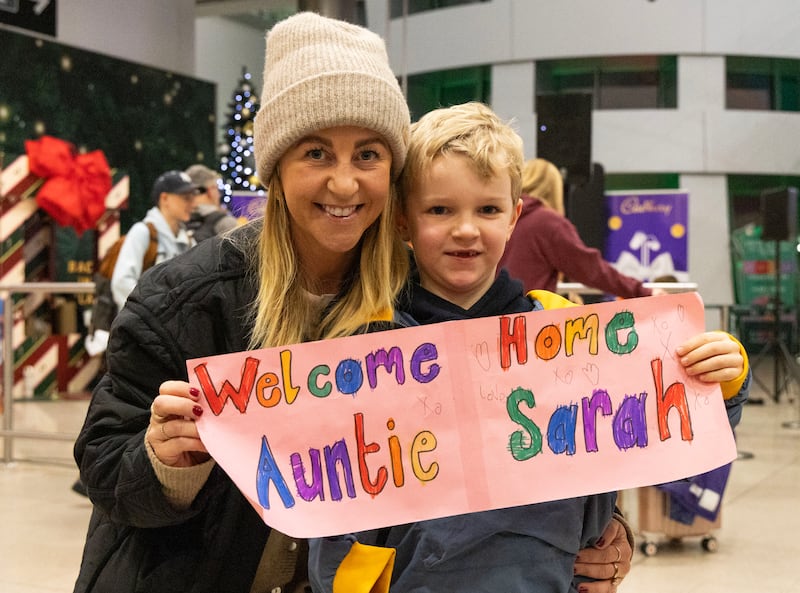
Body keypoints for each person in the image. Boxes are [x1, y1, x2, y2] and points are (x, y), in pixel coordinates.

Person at [308, 102, 750, 593]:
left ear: (515, 215)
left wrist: (720, 380)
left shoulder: (567, 333)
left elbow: (665, 438)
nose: (466, 228)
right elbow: (332, 507)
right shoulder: (366, 348)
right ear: (402, 221)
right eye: (440, 209)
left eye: (488, 209)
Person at [72, 12, 411, 593]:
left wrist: (592, 528)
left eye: (368, 155)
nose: (345, 184)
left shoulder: (416, 303)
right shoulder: (183, 299)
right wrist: (166, 464)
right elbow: (103, 464)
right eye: (316, 153)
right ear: (276, 168)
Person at [498, 157, 667, 299]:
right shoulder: (548, 223)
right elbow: (591, 269)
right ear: (555, 189)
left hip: (487, 322)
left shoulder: (499, 217)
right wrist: (642, 291)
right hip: (527, 325)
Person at [110, 169, 198, 312]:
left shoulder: (188, 241)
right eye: (186, 198)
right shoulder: (142, 232)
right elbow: (121, 282)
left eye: (193, 198)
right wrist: (150, 314)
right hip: (141, 327)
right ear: (164, 199)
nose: (192, 204)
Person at [184, 163, 239, 242]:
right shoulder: (225, 223)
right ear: (211, 190)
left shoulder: (178, 220)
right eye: (217, 188)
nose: (219, 194)